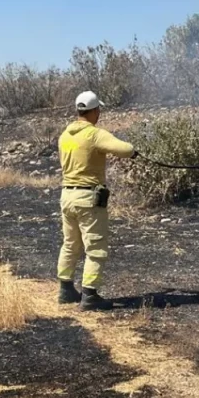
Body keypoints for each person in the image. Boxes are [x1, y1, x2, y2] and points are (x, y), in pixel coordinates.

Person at [56, 90, 137, 310]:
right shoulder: (94, 134)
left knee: (71, 244)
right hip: (87, 198)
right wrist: (134, 151)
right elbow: (125, 149)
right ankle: (90, 295)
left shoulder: (65, 135)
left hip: (67, 196)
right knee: (96, 246)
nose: (99, 113)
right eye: (98, 110)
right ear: (94, 111)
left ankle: (65, 289)